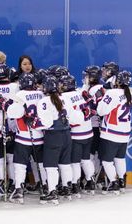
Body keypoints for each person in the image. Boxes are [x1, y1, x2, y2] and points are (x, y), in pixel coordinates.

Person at [37, 75, 83, 203]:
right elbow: (74, 118)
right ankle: (67, 188)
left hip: (53, 136)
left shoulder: (43, 102)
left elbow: (46, 123)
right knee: (65, 164)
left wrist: (34, 122)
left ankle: (52, 191)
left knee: (51, 166)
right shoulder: (65, 99)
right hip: (67, 135)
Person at [4, 72, 45, 204]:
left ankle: (18, 189)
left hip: (23, 136)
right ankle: (44, 185)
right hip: (39, 135)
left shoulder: (19, 95)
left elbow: (10, 111)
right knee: (41, 163)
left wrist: (2, 104)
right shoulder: (41, 94)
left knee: (20, 165)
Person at [96, 69, 132, 193]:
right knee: (120, 158)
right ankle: (122, 181)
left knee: (107, 161)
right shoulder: (128, 93)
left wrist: (100, 98)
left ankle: (113, 182)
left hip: (111, 132)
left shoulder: (112, 93)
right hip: (124, 133)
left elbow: (101, 111)